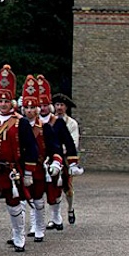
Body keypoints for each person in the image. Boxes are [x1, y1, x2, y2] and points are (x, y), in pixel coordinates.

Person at [0, 65, 38, 256]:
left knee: (14, 205)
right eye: (0, 100)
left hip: (11, 170)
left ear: (12, 102)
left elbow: (32, 147)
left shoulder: (20, 122)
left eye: (6, 101)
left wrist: (29, 172)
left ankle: (19, 236)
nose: (3, 104)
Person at [20, 75, 63, 243]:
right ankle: (20, 233)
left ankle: (39, 228)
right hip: (21, 168)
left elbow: (55, 149)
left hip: (39, 168)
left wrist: (56, 163)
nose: (29, 111)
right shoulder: (18, 125)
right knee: (21, 201)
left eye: (32, 108)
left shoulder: (45, 127)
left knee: (38, 200)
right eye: (27, 108)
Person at [52, 92, 83, 226]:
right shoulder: (50, 121)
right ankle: (55, 217)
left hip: (66, 157)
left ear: (66, 108)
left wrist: (60, 150)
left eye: (62, 105)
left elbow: (73, 142)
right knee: (52, 188)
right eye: (57, 104)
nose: (59, 107)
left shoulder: (72, 124)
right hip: (52, 157)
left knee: (67, 187)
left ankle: (70, 209)